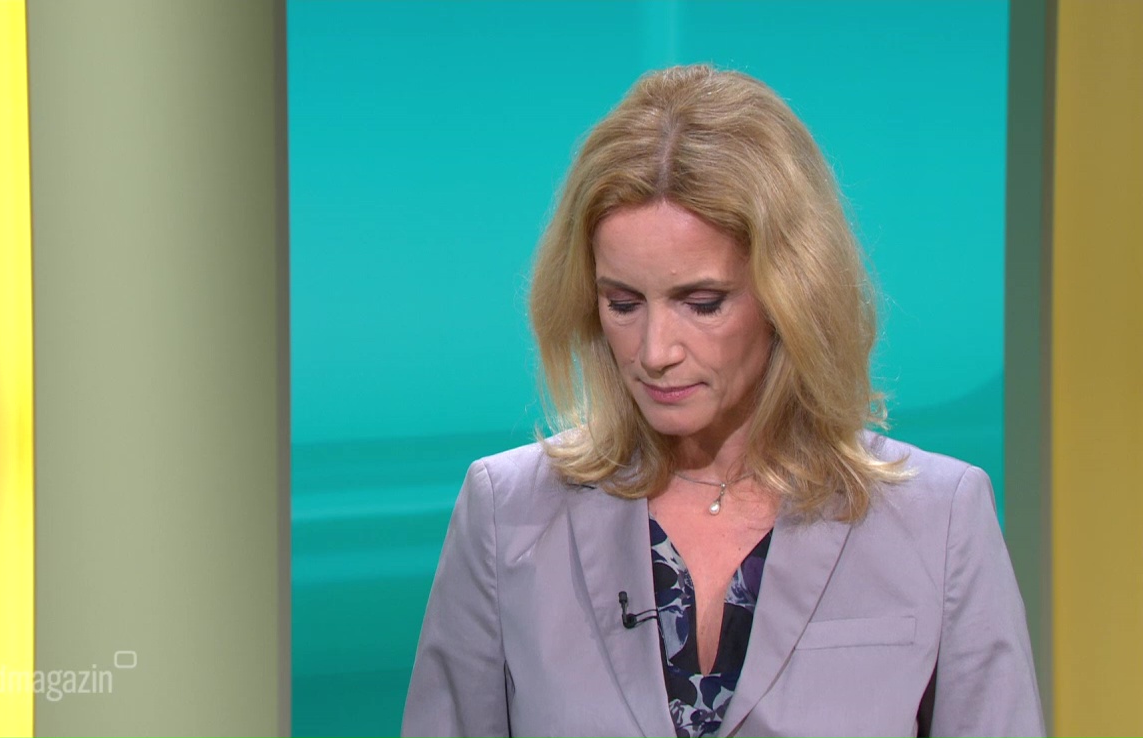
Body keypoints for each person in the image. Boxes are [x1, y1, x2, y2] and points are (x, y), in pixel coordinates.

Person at [401, 64, 1043, 738]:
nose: (655, 351)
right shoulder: (506, 513)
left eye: (702, 303)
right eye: (623, 303)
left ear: (790, 294)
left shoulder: (940, 520)